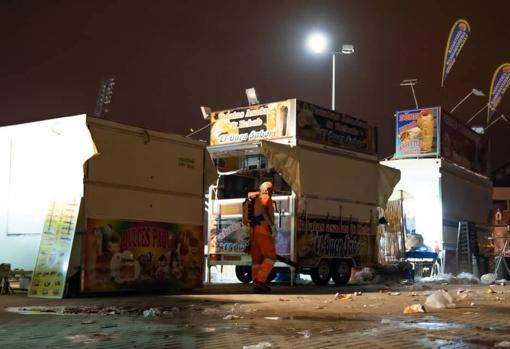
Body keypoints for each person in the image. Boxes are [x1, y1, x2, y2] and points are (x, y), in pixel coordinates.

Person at [250, 181, 277, 293]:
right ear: (268, 190)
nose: (272, 192)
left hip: (255, 232)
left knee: (257, 260)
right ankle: (260, 281)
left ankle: (256, 283)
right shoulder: (265, 197)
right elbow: (264, 212)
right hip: (263, 231)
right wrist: (272, 226)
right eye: (271, 190)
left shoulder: (257, 199)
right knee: (271, 257)